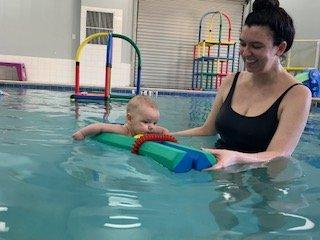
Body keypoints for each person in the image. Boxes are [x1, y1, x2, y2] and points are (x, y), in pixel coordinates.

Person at [174, 0, 311, 170]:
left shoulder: (297, 95)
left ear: (280, 48)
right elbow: (207, 129)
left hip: (261, 179)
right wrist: (167, 135)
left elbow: (279, 154)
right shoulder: (231, 81)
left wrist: (235, 157)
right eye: (243, 44)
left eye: (256, 46)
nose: (245, 53)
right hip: (218, 169)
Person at [73, 95, 169, 140]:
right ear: (130, 119)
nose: (151, 127)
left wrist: (166, 135)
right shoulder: (122, 130)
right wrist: (82, 133)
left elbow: (164, 130)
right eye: (146, 122)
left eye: (154, 123)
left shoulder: (150, 129)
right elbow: (99, 126)